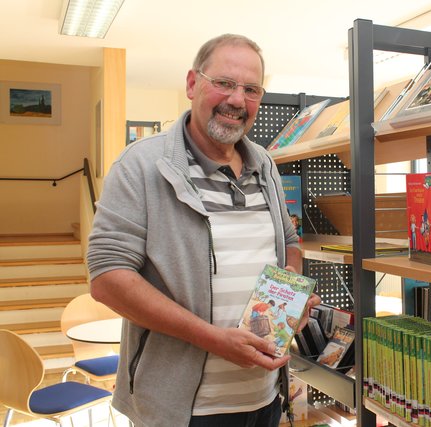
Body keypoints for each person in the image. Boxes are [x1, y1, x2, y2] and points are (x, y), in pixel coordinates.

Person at [87, 33, 321, 427]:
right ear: (193, 84)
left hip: (263, 397)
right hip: (183, 411)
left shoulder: (264, 163)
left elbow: (289, 242)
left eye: (250, 89)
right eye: (224, 83)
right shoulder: (141, 165)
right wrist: (211, 338)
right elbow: (108, 277)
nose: (236, 100)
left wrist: (289, 296)